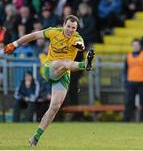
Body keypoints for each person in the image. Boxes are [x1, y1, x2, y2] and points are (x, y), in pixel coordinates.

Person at [4, 15, 95, 146]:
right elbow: (33, 36)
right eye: (68, 26)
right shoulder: (53, 32)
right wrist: (14, 44)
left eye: (73, 28)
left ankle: (35, 138)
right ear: (63, 24)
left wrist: (80, 46)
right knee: (64, 62)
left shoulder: (77, 38)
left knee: (55, 107)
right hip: (49, 68)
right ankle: (84, 65)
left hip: (63, 73)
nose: (70, 29)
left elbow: (81, 44)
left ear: (76, 29)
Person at [123, 39, 143, 122]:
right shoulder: (128, 56)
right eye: (134, 45)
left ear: (140, 46)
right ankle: (126, 120)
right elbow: (125, 69)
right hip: (131, 82)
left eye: (137, 45)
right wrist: (125, 81)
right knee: (129, 102)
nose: (135, 47)